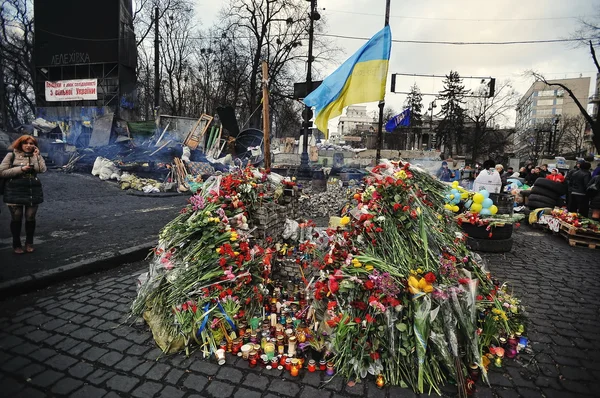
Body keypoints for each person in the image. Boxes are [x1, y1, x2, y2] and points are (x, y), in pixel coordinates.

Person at [0, 135, 47, 254]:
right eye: (26, 143)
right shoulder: (12, 155)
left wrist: (37, 156)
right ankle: (16, 243)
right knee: (16, 217)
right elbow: (2, 172)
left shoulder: (36, 155)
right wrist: (21, 169)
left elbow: (42, 170)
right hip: (15, 189)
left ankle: (29, 242)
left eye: (31, 143)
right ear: (20, 144)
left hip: (32, 190)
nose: (29, 146)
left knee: (30, 217)